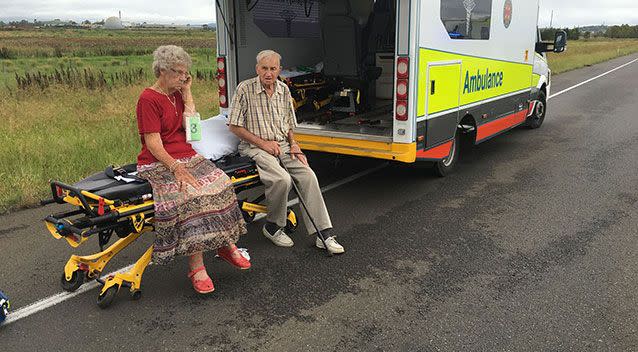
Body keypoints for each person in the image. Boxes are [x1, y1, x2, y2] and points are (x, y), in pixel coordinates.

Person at [136, 45, 250, 294]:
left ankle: (225, 244)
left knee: (222, 184)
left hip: (187, 155)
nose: (182, 78)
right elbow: (153, 143)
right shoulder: (148, 99)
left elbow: (193, 131)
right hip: (158, 162)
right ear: (162, 71)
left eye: (185, 74)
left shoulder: (177, 94)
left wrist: (187, 93)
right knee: (193, 197)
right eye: (178, 73)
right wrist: (175, 167)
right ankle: (196, 267)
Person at [228, 49, 345, 254]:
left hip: (282, 144)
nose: (268, 73)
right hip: (255, 146)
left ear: (279, 70)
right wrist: (264, 144)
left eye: (273, 69)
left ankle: (323, 234)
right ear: (257, 69)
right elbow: (234, 126)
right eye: (264, 68)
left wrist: (294, 145)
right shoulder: (244, 89)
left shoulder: (283, 90)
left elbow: (289, 125)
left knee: (308, 175)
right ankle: (273, 227)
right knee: (282, 179)